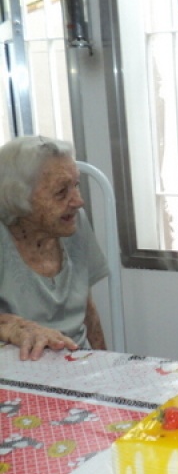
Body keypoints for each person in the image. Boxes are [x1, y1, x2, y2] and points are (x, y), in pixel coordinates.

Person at [0, 135, 109, 361]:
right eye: (62, 192)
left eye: (76, 185)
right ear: (20, 197)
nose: (78, 201)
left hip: (77, 361)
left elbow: (87, 307)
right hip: (19, 374)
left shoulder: (72, 222)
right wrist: (11, 326)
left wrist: (106, 365)